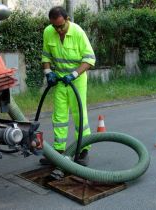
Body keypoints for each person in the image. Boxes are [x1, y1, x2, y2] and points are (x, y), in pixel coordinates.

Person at [40, 6, 96, 166]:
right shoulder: (48, 31)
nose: (58, 30)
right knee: (59, 117)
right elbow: (46, 56)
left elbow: (90, 59)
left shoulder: (78, 32)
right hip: (59, 80)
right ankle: (58, 152)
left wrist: (74, 74)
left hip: (76, 80)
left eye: (61, 26)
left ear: (67, 20)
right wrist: (48, 72)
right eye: (54, 26)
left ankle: (83, 150)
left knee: (79, 115)